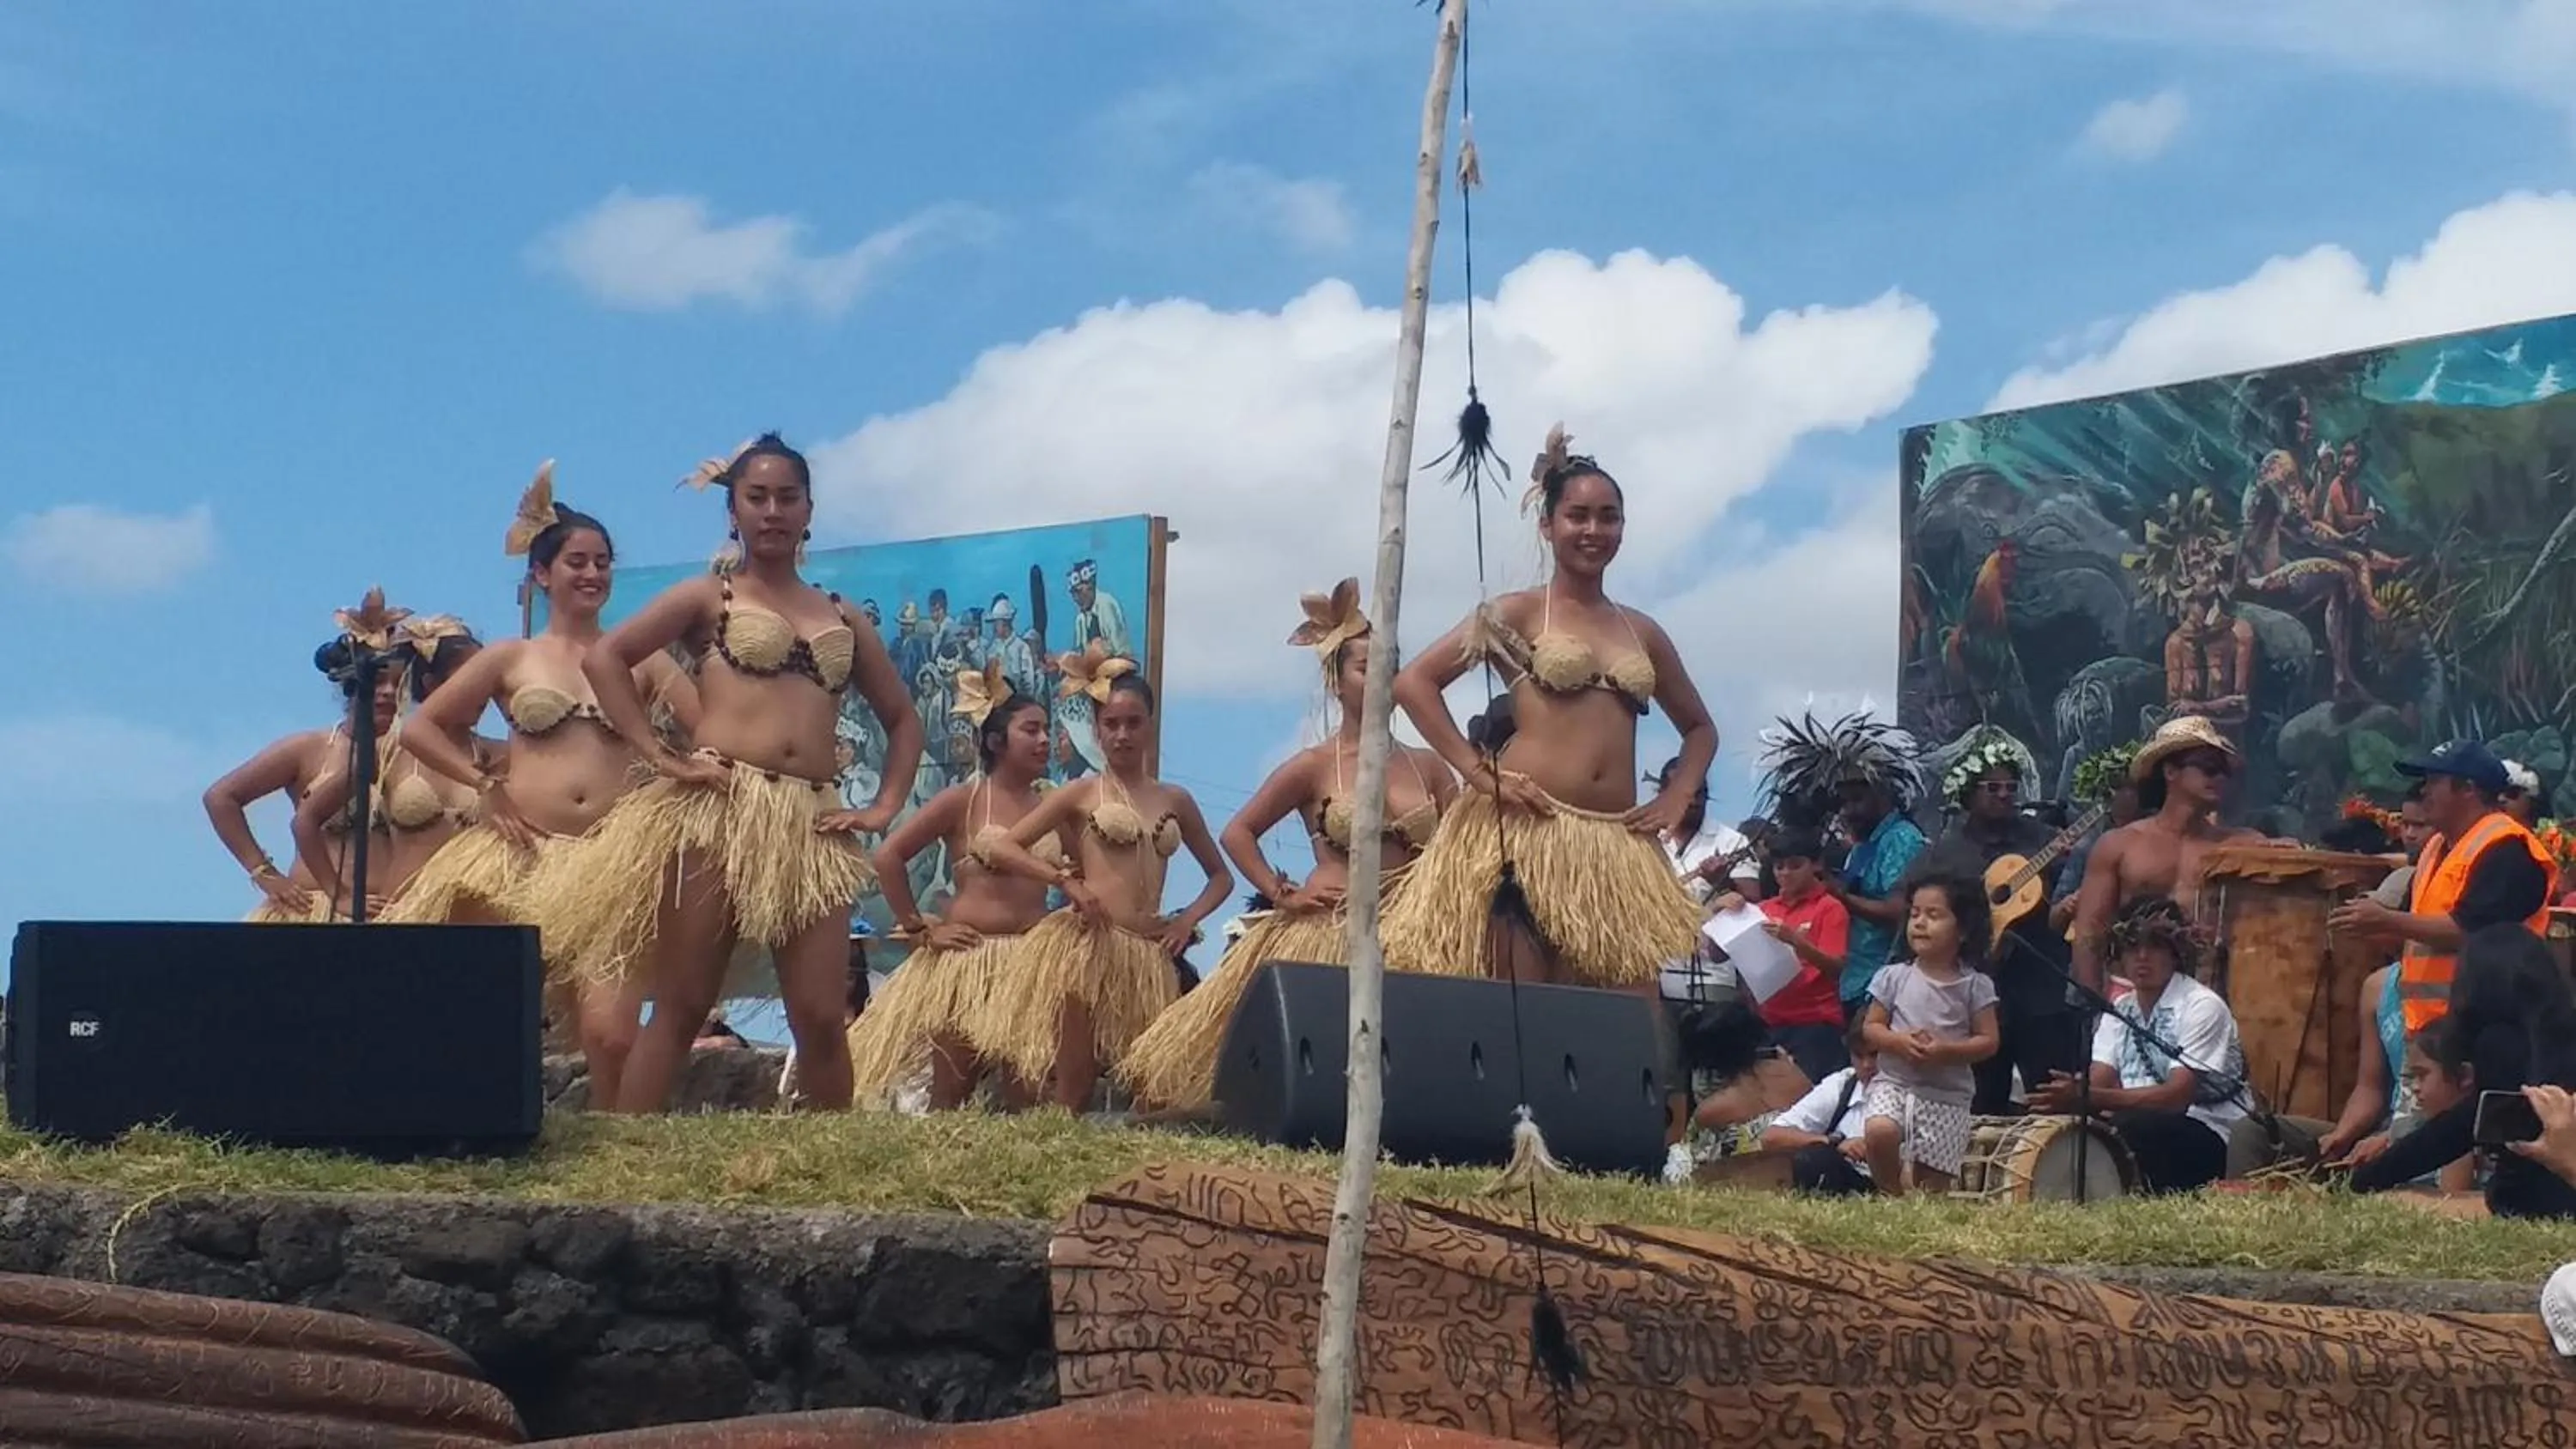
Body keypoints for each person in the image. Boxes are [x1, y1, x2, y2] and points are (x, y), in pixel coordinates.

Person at [541, 433, 926, 1114]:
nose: (773, 511)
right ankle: (628, 1155)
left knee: (819, 1017)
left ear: (809, 510)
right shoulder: (706, 597)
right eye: (757, 498)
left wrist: (883, 806)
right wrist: (659, 756)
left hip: (811, 820)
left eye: (787, 497)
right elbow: (609, 661)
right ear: (735, 513)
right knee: (686, 1002)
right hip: (722, 810)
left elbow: (903, 719)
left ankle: (834, 1167)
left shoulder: (844, 617)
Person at [389, 467, 701, 1108]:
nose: (592, 574)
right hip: (522, 856)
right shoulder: (511, 658)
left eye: (603, 563)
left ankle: (616, 1152)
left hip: (613, 860)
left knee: (610, 1035)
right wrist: (485, 788)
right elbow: (423, 730)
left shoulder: (643, 658)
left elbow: (706, 731)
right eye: (577, 562)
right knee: (492, 1015)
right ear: (541, 574)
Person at [1382, 425, 1714, 991]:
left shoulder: (1642, 632)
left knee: (1627, 1020)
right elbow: (1415, 682)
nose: (1593, 530)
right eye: (1577, 516)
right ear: (1547, 525)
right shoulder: (1518, 613)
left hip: (1614, 847)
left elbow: (1700, 729)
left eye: (1608, 517)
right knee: (1526, 1012)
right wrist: (1476, 771)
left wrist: (1678, 794)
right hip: (1527, 832)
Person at [1119, 579, 1460, 1113]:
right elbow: (1239, 832)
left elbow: (1459, 854)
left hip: (1409, 936)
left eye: (1389, 665)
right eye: (1364, 667)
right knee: (1319, 1065)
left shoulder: (1429, 767)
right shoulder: (1314, 766)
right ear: (1336, 682)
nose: (1379, 678)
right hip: (1324, 931)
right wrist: (1280, 894)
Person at [975, 656, 1233, 1111]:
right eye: (1111, 724)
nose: (1122, 734)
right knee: (1073, 1085)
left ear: (1150, 725)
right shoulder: (1081, 793)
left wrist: (1185, 920)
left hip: (1147, 957)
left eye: (1133, 723)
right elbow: (1002, 848)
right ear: (1097, 730)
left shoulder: (1175, 799)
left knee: (1156, 1090)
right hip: (1088, 949)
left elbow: (1220, 877)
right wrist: (1064, 881)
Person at [846, 664, 1056, 1111]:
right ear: (997, 741)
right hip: (969, 961)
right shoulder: (964, 800)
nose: (1044, 741)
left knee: (1029, 1095)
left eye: (1047, 731)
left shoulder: (1053, 805)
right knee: (951, 1090)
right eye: (1032, 730)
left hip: (1030, 963)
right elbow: (888, 857)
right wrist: (921, 928)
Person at [2329, 739, 2559, 1034]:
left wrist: (2385, 920)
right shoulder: (2436, 847)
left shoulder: (2507, 847)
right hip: (2428, 1027)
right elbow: (2413, 926)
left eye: (2435, 781)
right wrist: (2361, 922)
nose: (2424, 791)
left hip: (2487, 1029)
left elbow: (2476, 933)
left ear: (2468, 789)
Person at [2348, 925, 2576, 1217]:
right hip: (2543, 1183)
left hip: (2537, 1195)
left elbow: (2459, 1129)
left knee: (2408, 1203)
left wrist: (2366, 1182)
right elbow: (2467, 1123)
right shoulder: (2555, 1027)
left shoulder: (2501, 1041)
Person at [204, 595, 407, 922]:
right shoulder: (307, 749)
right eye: (378, 681)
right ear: (350, 685)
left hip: (396, 914)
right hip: (313, 910)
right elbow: (221, 798)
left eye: (398, 684)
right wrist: (264, 873)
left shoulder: (415, 753)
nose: (387, 692)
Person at [2030, 896, 2245, 1193]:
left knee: (2133, 1126)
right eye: (2132, 946)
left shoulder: (2201, 1006)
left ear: (2176, 953)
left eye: (2155, 946)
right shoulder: (2121, 1007)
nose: (2142, 956)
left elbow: (2176, 1097)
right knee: (2075, 1124)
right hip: (2138, 1125)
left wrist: (2088, 1096)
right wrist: (2065, 1096)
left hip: (2209, 1132)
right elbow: (2099, 1079)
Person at [1920, 725, 2085, 1115]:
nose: (2005, 795)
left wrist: (2069, 859)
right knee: (1980, 1100)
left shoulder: (2044, 837)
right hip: (1977, 992)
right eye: (1992, 789)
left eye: (2011, 788)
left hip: (2042, 988)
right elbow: (1916, 903)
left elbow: (2071, 888)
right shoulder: (1946, 852)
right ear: (1969, 794)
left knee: (2051, 1095)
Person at [292, 610, 495, 912]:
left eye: (486, 681)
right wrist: (339, 894)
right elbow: (305, 820)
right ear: (430, 684)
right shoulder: (388, 752)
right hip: (406, 915)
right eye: (467, 681)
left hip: (482, 921)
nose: (481, 692)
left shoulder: (501, 754)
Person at [2069, 715, 2262, 993]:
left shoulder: (2241, 846)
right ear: (2171, 772)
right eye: (2209, 767)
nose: (2218, 777)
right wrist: (2098, 1006)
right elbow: (2089, 931)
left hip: (2206, 995)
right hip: (2129, 993)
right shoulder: (2119, 845)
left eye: (2223, 770)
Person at [1760, 713, 1929, 1027]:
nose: (1847, 810)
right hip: (1852, 983)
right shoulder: (1863, 845)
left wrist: (1840, 895)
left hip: (1881, 984)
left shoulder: (1902, 838)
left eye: (1857, 800)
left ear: (1884, 794)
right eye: (1843, 802)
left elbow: (1900, 912)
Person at [1858, 872, 2000, 1197]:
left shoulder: (1976, 986)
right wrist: (1898, 1041)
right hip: (1895, 1081)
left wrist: (1946, 1051)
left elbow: (1988, 1041)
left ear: (1963, 930)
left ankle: (1915, 1211)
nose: (1919, 923)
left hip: (1947, 1095)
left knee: (1931, 1188)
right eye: (1915, 914)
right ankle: (1890, 1194)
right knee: (1880, 1131)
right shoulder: (1892, 977)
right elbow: (1871, 1028)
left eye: (1933, 915)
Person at [1749, 829, 1851, 1082]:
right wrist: (1725, 907)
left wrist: (1796, 941)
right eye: (1779, 867)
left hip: (1815, 1024)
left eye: (1795, 866)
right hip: (1769, 1022)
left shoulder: (1830, 908)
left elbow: (1836, 967)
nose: (1785, 874)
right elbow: (1719, 955)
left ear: (1815, 864)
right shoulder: (1764, 909)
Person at [1759, 1016, 1878, 1197]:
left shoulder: (1919, 1090)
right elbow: (1772, 1137)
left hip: (1898, 1183)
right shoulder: (1843, 1084)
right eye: (1859, 1056)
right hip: (1847, 1184)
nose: (1867, 1065)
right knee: (1815, 1158)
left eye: (1875, 1055)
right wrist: (1834, 1143)